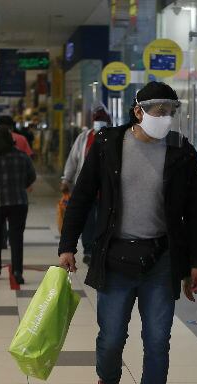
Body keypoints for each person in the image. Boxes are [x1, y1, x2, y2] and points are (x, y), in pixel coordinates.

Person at [58, 81, 197, 384]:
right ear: (138, 111)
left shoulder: (181, 150)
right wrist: (67, 246)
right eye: (158, 111)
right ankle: (107, 383)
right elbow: (81, 197)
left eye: (171, 111)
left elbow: (196, 211)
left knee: (158, 340)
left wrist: (196, 262)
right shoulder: (108, 144)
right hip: (116, 257)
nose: (165, 118)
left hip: (161, 259)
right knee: (111, 339)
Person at [0, 125, 36, 284]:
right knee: (16, 237)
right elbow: (32, 176)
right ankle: (18, 272)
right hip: (19, 202)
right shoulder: (22, 157)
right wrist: (20, 186)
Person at [62, 104, 112, 264]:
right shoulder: (84, 137)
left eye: (102, 119)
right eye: (97, 119)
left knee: (104, 220)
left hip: (107, 189)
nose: (100, 122)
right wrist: (66, 179)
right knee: (88, 221)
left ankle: (101, 249)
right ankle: (89, 250)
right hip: (87, 188)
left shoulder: (115, 137)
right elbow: (73, 159)